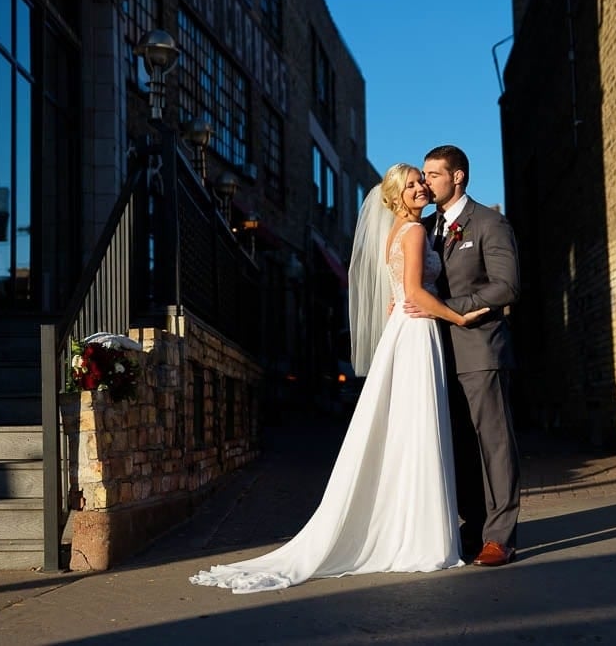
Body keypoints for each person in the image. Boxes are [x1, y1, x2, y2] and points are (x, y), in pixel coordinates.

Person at [188, 163, 489, 593]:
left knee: (407, 431)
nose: (420, 187)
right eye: (411, 185)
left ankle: (411, 528)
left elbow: (396, 294)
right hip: (418, 331)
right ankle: (420, 534)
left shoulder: (394, 234)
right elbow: (418, 293)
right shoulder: (417, 232)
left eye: (421, 181)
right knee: (418, 430)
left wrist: (406, 302)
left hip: (403, 332)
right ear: (395, 197)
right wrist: (459, 315)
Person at [409, 144, 522, 568]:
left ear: (458, 177)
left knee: (494, 444)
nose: (426, 182)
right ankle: (473, 527)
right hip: (439, 355)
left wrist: (455, 308)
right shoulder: (429, 227)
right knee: (458, 444)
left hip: (481, 350)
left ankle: (500, 537)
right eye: (424, 174)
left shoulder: (490, 223)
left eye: (434, 174)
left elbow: (507, 286)